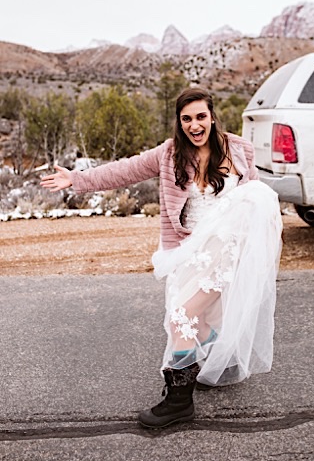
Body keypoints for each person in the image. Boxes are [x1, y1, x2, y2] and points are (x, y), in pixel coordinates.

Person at [41, 87, 282, 429]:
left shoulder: (238, 148)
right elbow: (124, 171)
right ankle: (208, 362)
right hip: (187, 249)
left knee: (183, 315)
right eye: (186, 119)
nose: (194, 125)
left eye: (201, 116)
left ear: (212, 117)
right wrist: (76, 179)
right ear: (179, 122)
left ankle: (178, 401)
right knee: (199, 317)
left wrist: (262, 254)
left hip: (226, 249)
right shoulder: (169, 154)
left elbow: (257, 203)